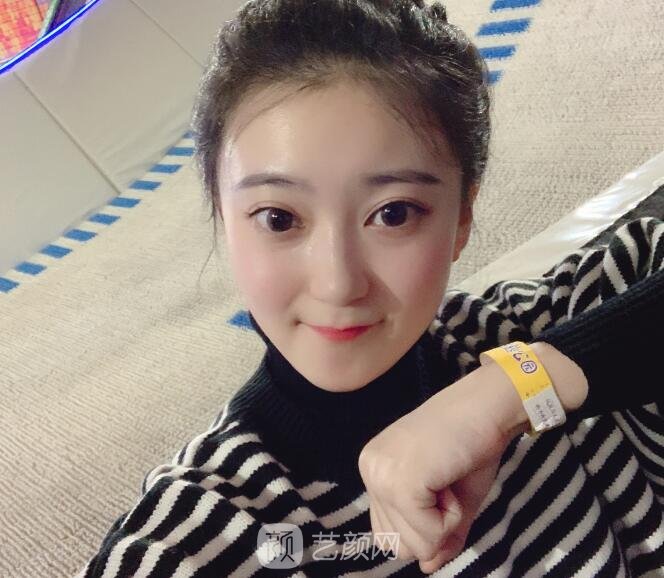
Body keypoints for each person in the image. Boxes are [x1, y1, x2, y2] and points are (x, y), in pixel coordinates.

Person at [76, 0, 664, 576]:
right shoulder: (199, 531)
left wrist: (517, 389)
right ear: (223, 220)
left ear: (461, 218)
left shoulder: (536, 328)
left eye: (393, 213)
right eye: (279, 218)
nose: (338, 283)